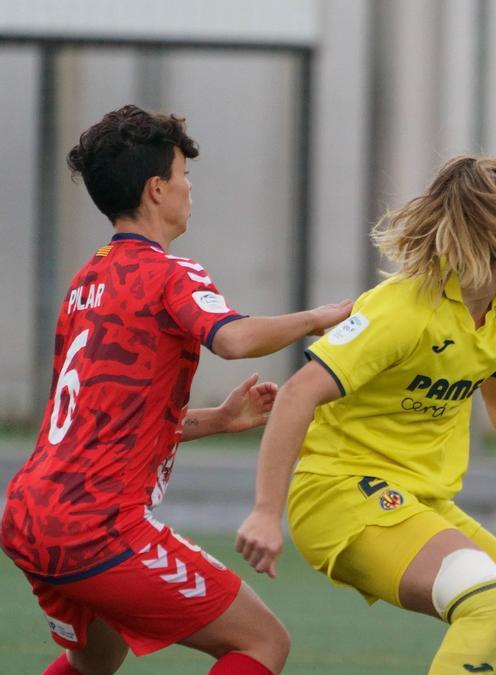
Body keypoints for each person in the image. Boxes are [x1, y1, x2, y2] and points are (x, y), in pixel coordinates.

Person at [1, 104, 353, 675]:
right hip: (97, 527)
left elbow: (94, 420)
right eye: (184, 177)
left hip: (28, 514)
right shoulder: (171, 273)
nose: (191, 189)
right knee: (263, 644)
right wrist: (318, 316)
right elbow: (233, 340)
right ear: (157, 189)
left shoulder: (85, 282)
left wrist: (218, 420)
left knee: (96, 658)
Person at [234, 151, 496, 675]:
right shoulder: (401, 309)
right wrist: (263, 510)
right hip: (341, 497)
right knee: (490, 601)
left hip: (421, 500)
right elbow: (299, 394)